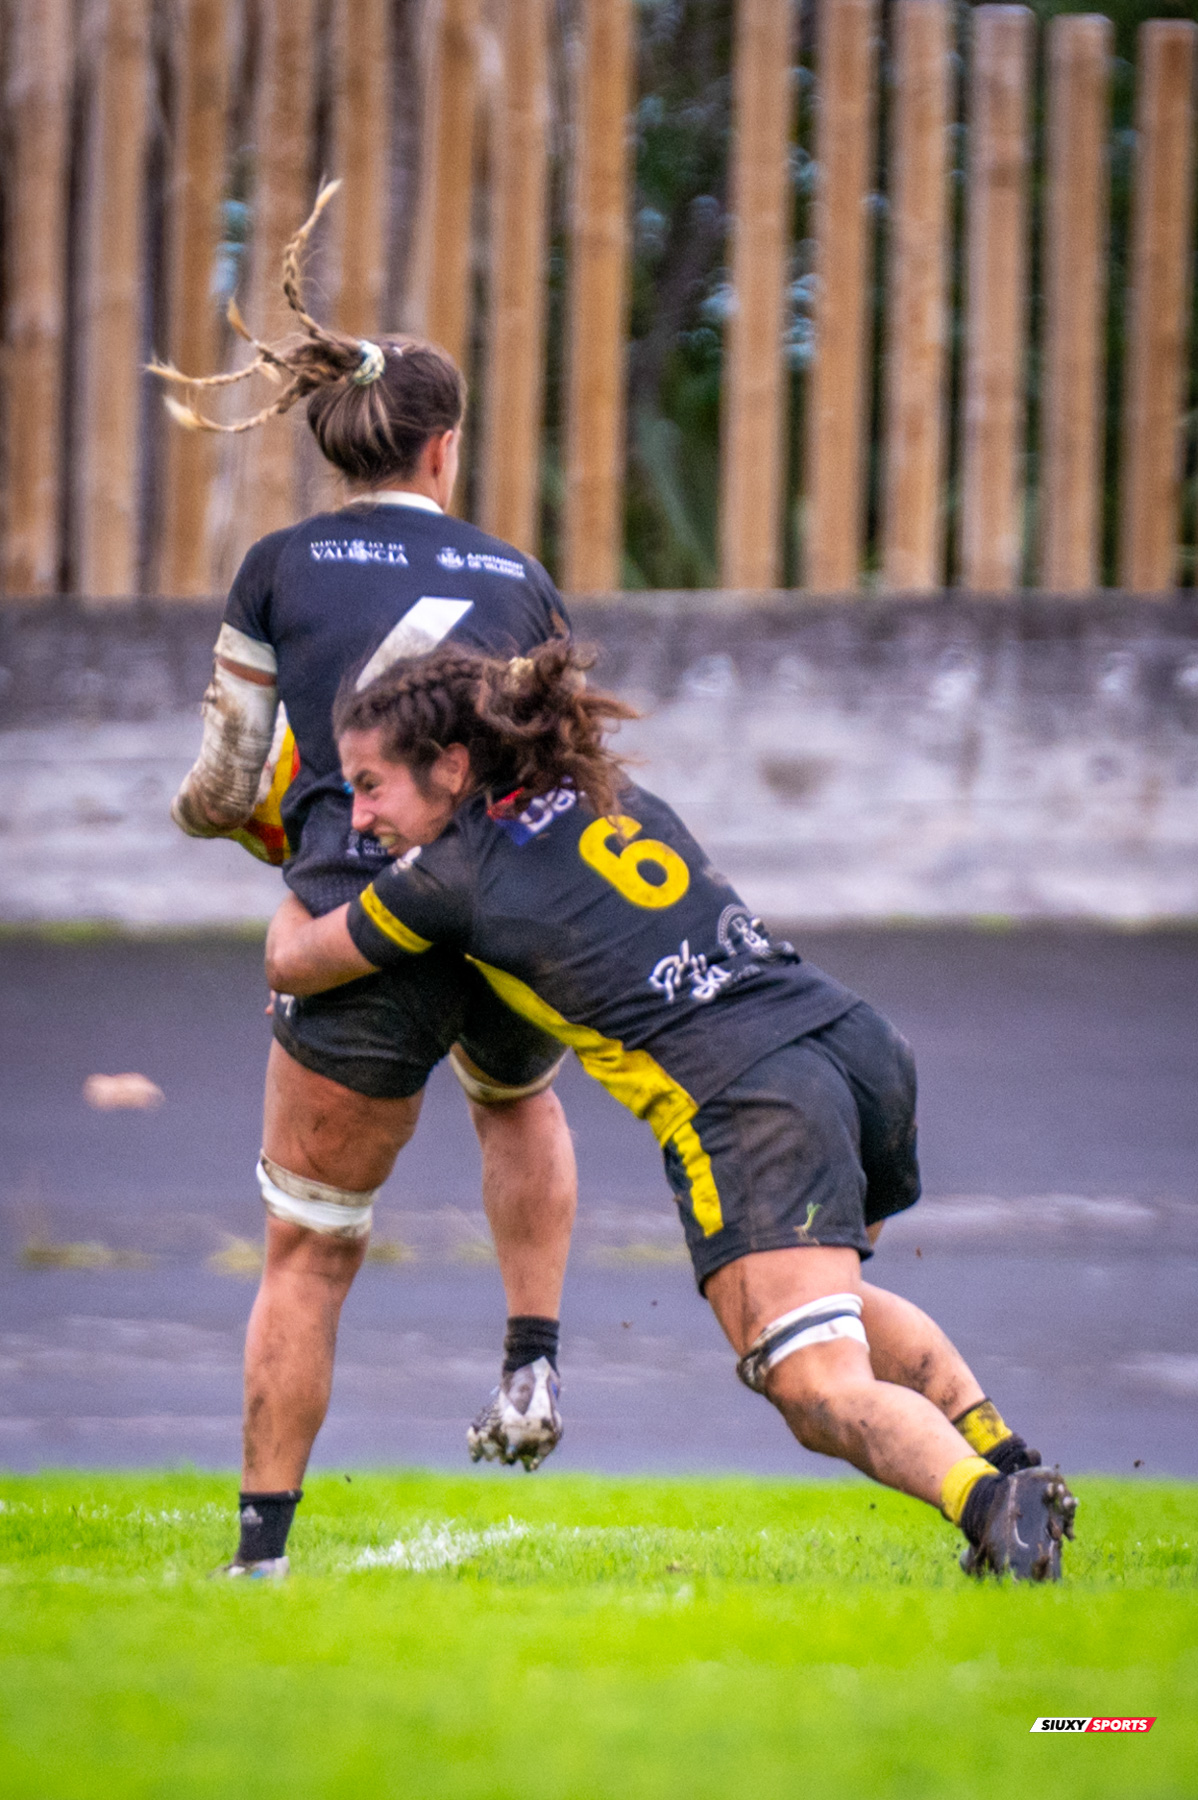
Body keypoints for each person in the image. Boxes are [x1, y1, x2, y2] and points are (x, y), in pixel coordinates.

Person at [265, 637, 1079, 1581]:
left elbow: (297, 959)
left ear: (451, 768)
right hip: (853, 1045)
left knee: (811, 1383)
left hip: (753, 1100)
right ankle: (1014, 1462)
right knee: (831, 1307)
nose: (360, 817)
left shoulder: (452, 877)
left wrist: (299, 850)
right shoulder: (599, 788)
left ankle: (991, 1503)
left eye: (370, 787)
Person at [154, 184, 580, 1579]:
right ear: (445, 447)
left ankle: (263, 1551)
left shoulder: (277, 566)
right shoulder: (520, 577)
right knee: (514, 1094)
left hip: (351, 922)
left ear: (345, 440)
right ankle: (532, 1359)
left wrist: (256, 836)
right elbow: (555, 770)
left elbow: (227, 782)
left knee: (311, 1245)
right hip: (503, 911)